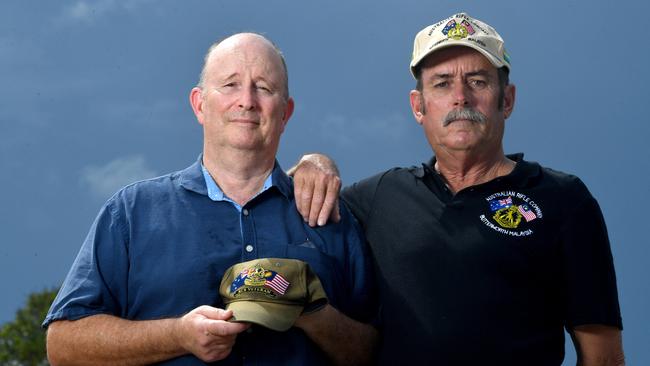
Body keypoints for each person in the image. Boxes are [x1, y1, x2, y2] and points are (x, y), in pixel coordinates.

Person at [291, 12, 624, 365]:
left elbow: (603, 356)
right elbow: (288, 207)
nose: (461, 97)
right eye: (442, 83)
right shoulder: (377, 198)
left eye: (478, 82)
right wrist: (315, 161)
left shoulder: (563, 200)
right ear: (418, 107)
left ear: (506, 100)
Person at [43, 33, 377, 365]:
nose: (246, 100)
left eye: (264, 87)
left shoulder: (329, 214)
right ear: (199, 104)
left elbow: (377, 350)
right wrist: (177, 335)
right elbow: (62, 345)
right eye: (230, 84)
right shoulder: (132, 212)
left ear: (286, 112)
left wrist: (316, 314)